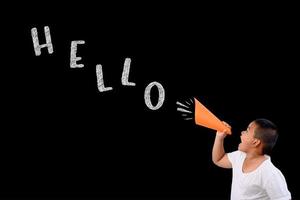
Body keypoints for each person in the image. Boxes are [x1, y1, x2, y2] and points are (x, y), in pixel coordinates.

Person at [212, 118, 291, 200]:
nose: (242, 132)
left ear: (255, 142)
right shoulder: (239, 156)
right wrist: (219, 137)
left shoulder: (270, 173)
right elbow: (219, 159)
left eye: (247, 131)